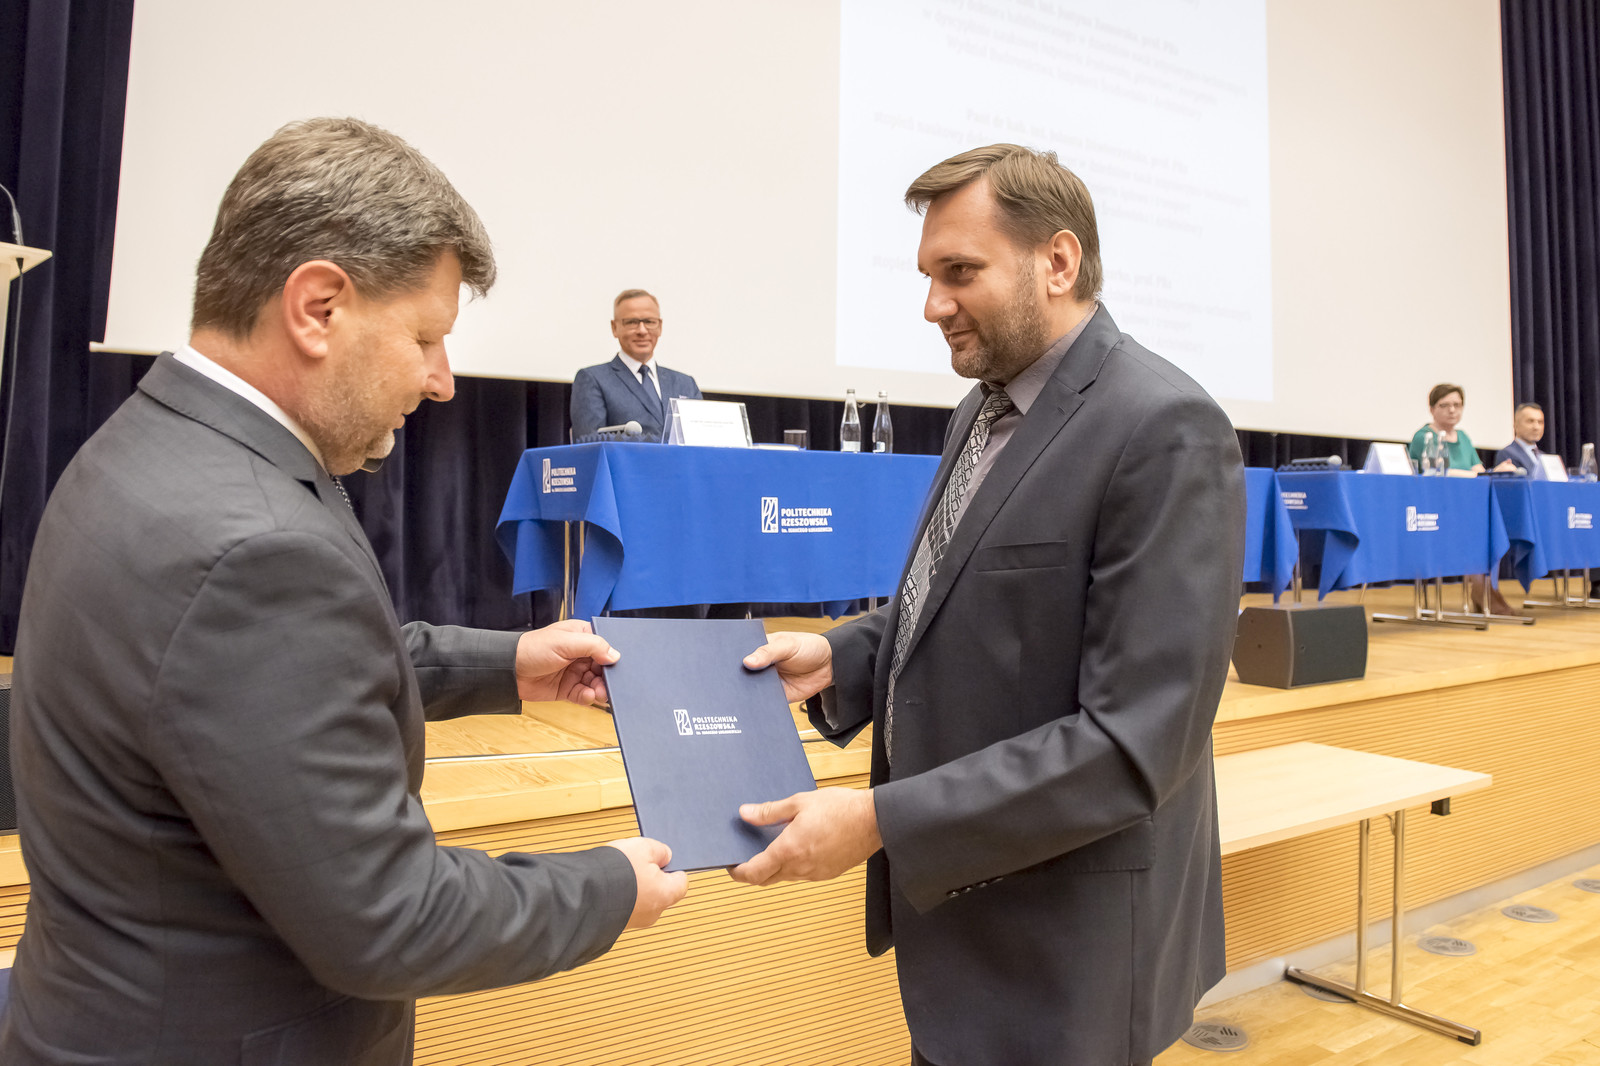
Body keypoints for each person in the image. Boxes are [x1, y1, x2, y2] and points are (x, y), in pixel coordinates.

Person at [0, 118, 687, 1066]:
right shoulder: (255, 546)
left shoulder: (153, 443)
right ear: (317, 308)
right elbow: (392, 917)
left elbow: (277, 680)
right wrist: (608, 885)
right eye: (425, 338)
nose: (442, 382)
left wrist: (511, 663)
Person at [737, 144, 1245, 1066]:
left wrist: (882, 821)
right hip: (972, 936)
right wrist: (843, 655)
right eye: (929, 277)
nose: (933, 305)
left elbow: (1135, 742)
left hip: (1070, 955)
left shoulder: (1164, 426)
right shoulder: (983, 409)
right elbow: (964, 604)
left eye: (960, 272)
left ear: (1058, 261)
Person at [569, 289, 702, 441]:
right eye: (631, 322)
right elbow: (589, 443)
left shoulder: (685, 384)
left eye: (649, 322)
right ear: (614, 328)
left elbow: (700, 441)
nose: (642, 330)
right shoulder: (593, 379)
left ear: (660, 326)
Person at [1408, 383, 1494, 472]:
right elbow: (1439, 472)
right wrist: (1473, 475)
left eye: (1457, 405)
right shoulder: (1425, 436)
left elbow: (1479, 471)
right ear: (1432, 409)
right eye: (1444, 405)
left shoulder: (1463, 436)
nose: (1452, 410)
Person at [1493, 402, 1549, 478]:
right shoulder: (1507, 453)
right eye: (1530, 421)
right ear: (1516, 425)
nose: (1536, 427)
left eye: (1540, 422)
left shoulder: (1544, 456)